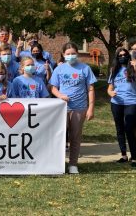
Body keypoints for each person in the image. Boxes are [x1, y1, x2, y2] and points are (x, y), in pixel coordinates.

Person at [49, 42, 96, 174]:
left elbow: (91, 89)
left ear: (78, 54)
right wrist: (60, 95)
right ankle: (58, 164)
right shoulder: (59, 69)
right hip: (62, 108)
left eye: (73, 53)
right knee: (60, 136)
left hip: (79, 108)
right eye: (68, 54)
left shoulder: (85, 68)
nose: (71, 56)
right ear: (63, 55)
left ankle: (73, 164)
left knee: (75, 136)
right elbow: (53, 87)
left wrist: (91, 107)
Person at [107, 47, 136, 168]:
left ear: (128, 56)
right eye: (120, 55)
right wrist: (110, 93)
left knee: (129, 128)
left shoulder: (134, 68)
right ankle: (124, 155)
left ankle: (134, 157)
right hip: (116, 102)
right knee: (119, 129)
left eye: (125, 55)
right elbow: (109, 88)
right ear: (117, 58)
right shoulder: (114, 70)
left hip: (131, 102)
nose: (122, 57)